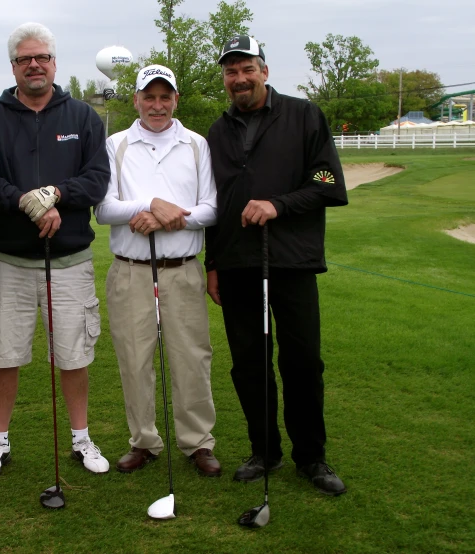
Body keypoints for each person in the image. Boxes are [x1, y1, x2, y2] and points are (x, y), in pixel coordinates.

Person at [205, 36, 349, 495]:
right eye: (231, 71)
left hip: (292, 262)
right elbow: (213, 202)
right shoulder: (217, 131)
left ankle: (312, 456)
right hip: (235, 263)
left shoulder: (304, 115)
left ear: (264, 71)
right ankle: (264, 450)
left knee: (303, 362)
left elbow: (327, 182)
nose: (240, 78)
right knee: (249, 365)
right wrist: (212, 263)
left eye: (247, 68)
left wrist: (278, 204)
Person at [0, 22, 110, 477]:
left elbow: (96, 179)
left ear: (54, 62)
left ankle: (81, 438)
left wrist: (54, 195)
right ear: (12, 66)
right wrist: (26, 204)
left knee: (73, 355)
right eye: (24, 59)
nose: (34, 65)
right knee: (4, 355)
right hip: (8, 261)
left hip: (69, 261)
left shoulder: (84, 118)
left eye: (42, 58)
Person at [94, 65, 221, 476]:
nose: (157, 105)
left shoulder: (197, 145)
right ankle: (144, 441)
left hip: (182, 270)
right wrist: (147, 204)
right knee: (135, 359)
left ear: (176, 100)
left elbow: (213, 208)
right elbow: (105, 209)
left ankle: (197, 442)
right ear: (136, 100)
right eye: (149, 97)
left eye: (165, 97)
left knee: (192, 358)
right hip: (131, 271)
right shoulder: (116, 144)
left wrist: (169, 218)